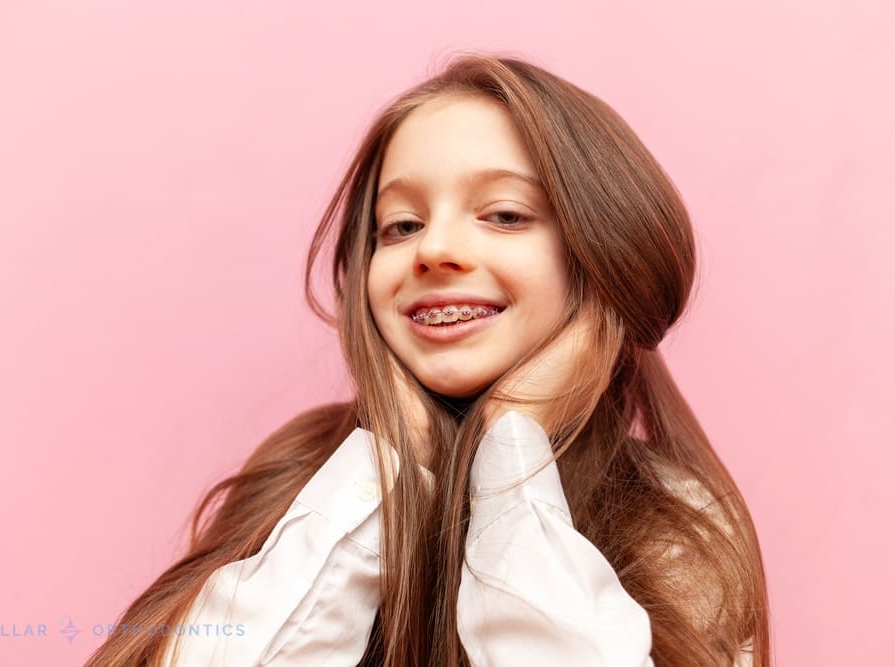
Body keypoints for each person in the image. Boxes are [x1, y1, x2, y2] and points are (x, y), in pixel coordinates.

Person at [85, 52, 770, 666]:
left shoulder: (677, 523)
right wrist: (387, 466)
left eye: (505, 214)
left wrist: (514, 456)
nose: (433, 249)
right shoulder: (298, 473)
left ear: (601, 255)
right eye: (402, 225)